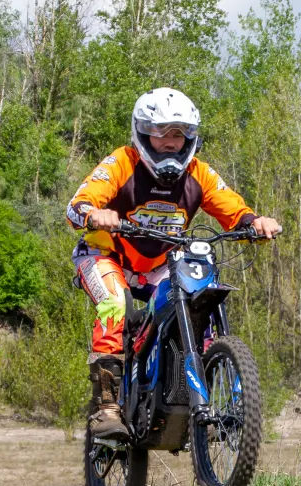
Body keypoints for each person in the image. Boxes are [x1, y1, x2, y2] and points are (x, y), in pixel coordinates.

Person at [66, 87, 281, 440]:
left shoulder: (199, 173)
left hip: (160, 264)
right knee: (115, 304)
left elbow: (233, 209)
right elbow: (78, 203)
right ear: (143, 132)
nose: (170, 142)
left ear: (190, 138)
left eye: (178, 134)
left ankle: (200, 402)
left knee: (199, 294)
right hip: (106, 254)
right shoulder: (122, 162)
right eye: (162, 132)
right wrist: (93, 213)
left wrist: (254, 223)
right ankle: (106, 407)